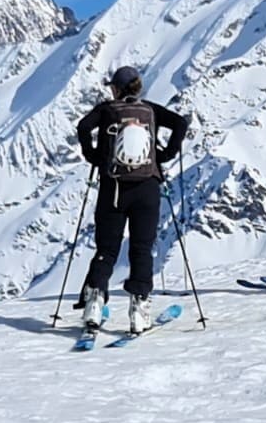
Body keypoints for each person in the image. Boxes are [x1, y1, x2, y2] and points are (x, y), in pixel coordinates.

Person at [74, 66, 190, 334]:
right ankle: (139, 311)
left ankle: (94, 303)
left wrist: (93, 156)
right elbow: (181, 123)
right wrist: (165, 155)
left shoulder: (106, 110)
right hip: (147, 187)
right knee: (141, 248)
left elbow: (83, 127)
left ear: (116, 88)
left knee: (107, 248)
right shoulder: (149, 110)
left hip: (113, 189)